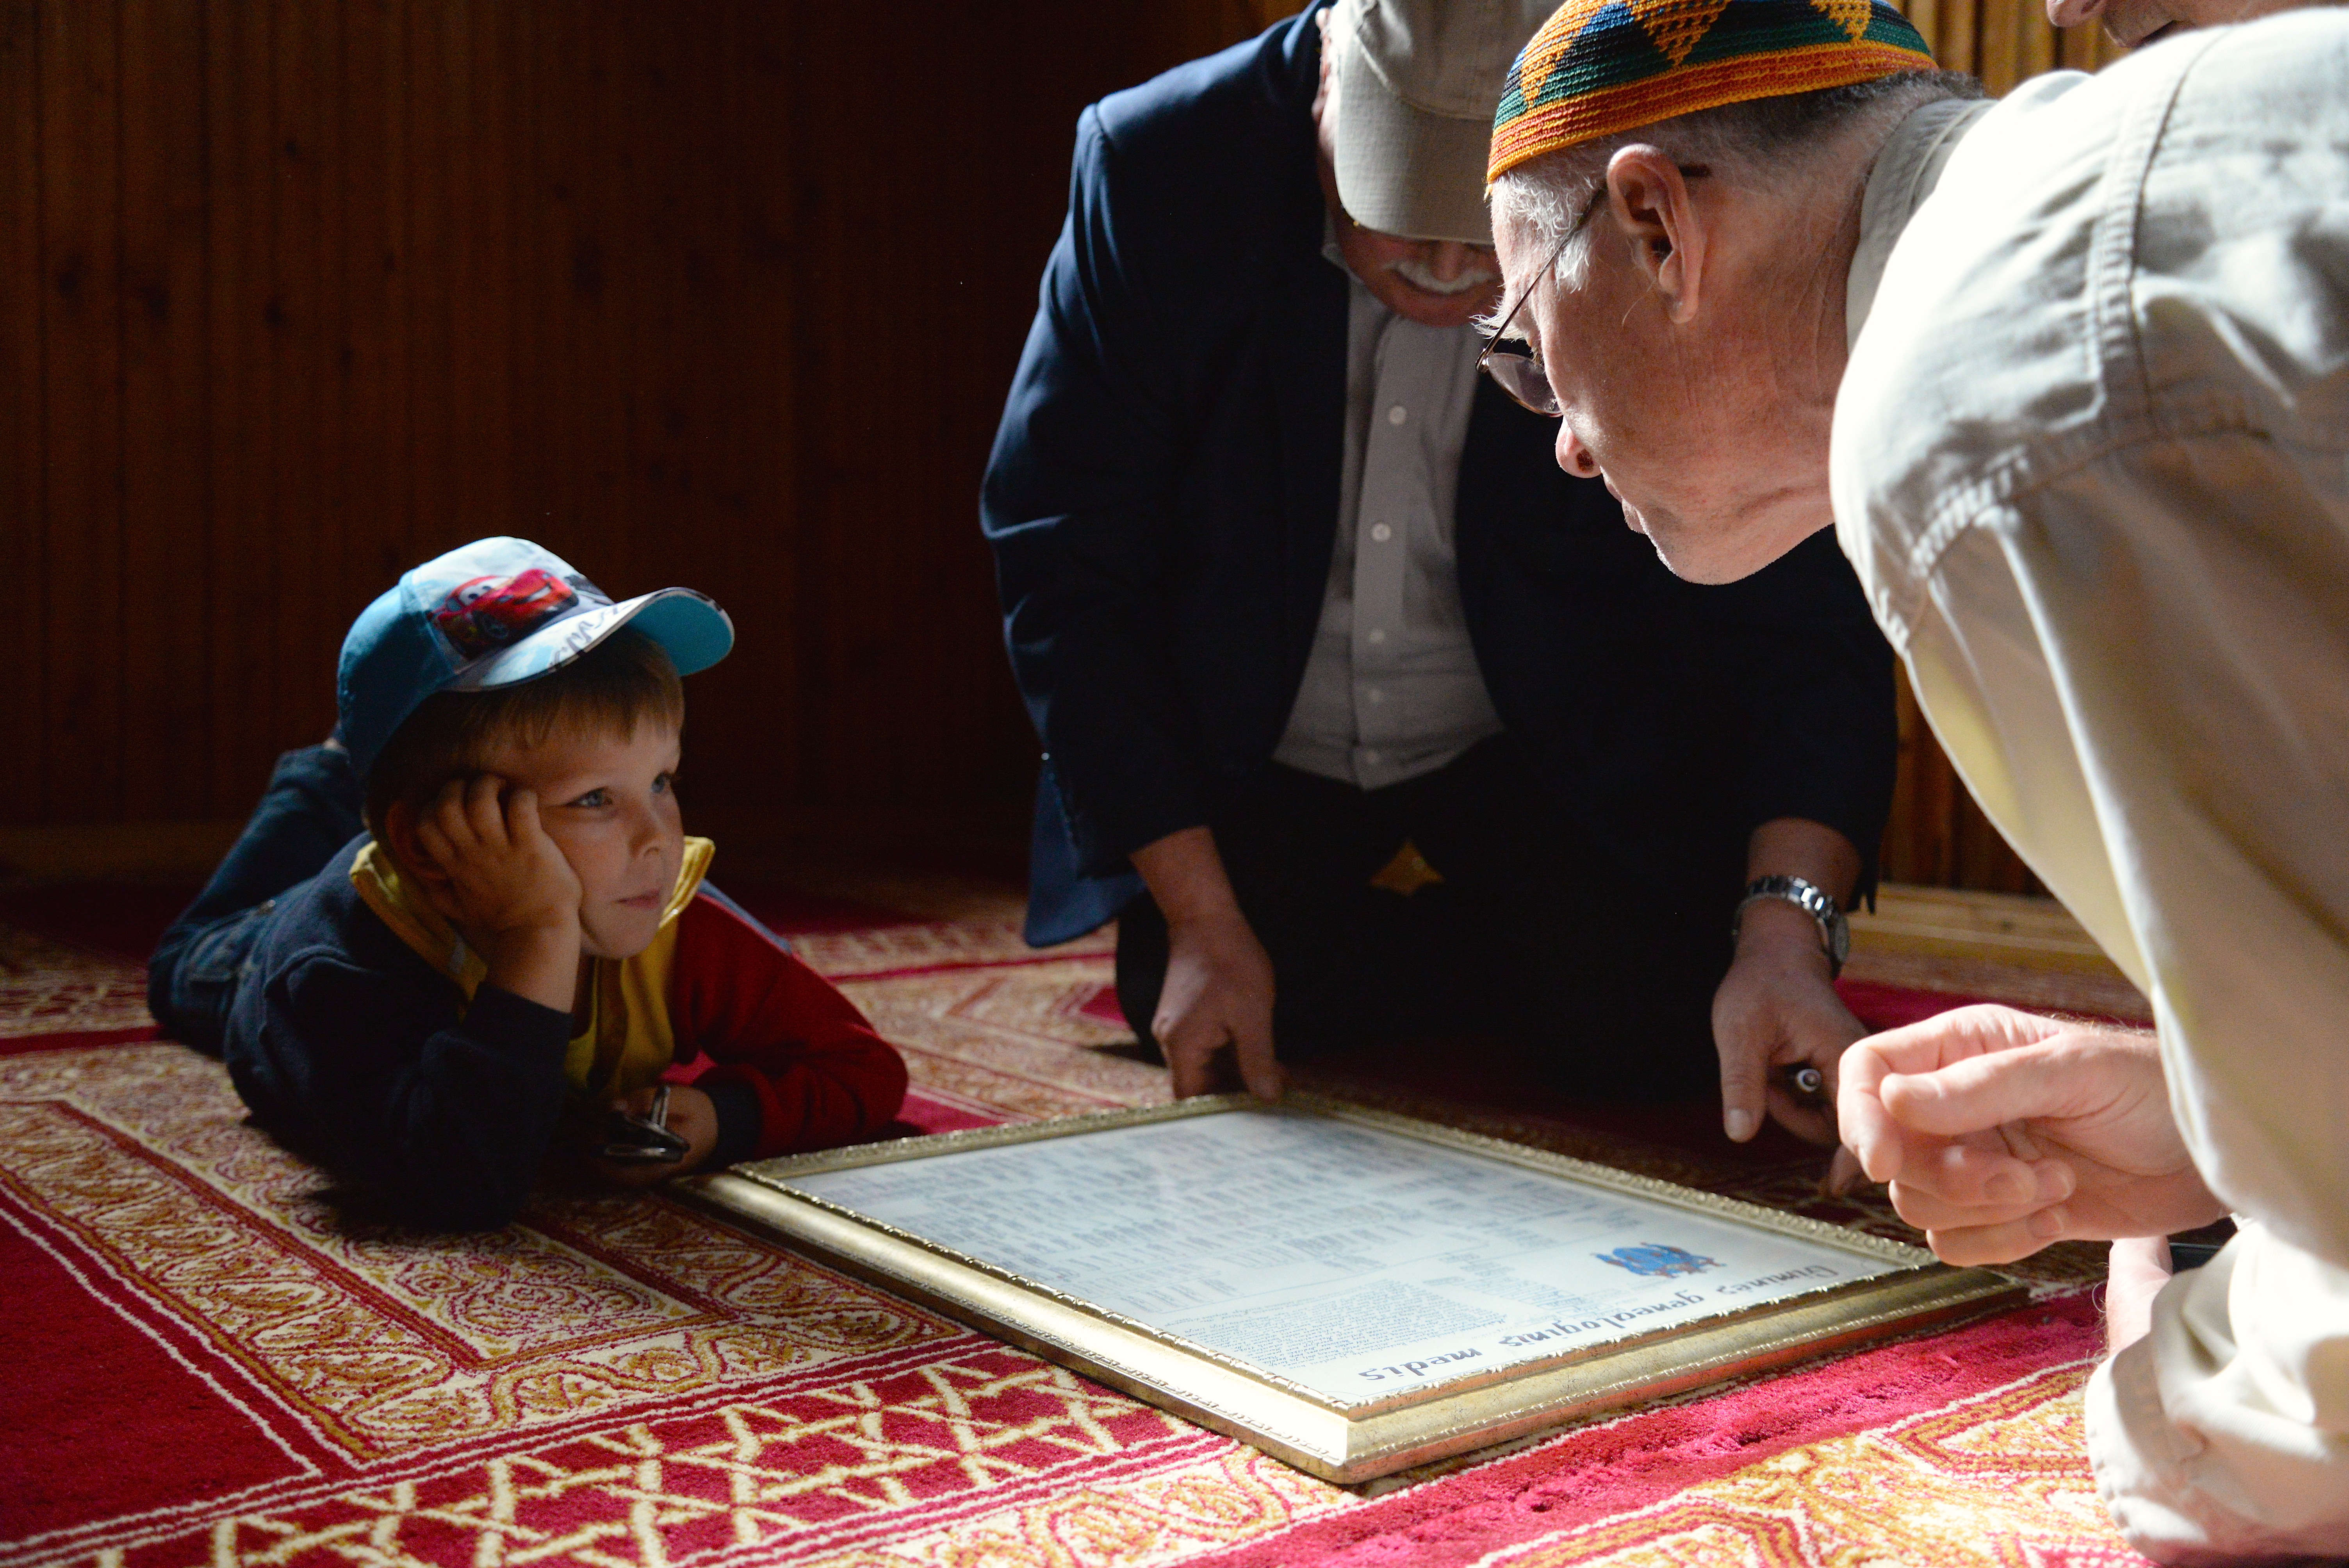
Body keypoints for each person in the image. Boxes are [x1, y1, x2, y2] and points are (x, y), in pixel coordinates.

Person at [1483, 0, 2349, 1554]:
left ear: (1655, 223)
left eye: (1527, 343)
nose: (1559, 442)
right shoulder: (2098, 181)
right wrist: (2207, 1126)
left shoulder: (1978, 396)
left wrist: (2167, 1385)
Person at [982, 0, 1898, 1158]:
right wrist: (1204, 919)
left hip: (1538, 731)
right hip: (1252, 737)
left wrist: (1782, 933)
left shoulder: (1684, 176)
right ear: (1326, 86)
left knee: (1642, 1032)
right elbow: (1064, 554)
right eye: (1396, 204)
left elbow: (1806, 599)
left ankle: (1554, 950)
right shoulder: (1161, 164)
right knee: (1203, 987)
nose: (1451, 266)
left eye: (1487, 230)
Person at [147, 537, 908, 1231]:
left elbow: (864, 1069)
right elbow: (456, 1187)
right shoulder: (334, 966)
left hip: (400, 835)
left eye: (661, 780)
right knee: (182, 964)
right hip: (256, 955)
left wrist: (726, 1116)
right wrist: (538, 935)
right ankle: (329, 773)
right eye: (593, 799)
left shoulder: (671, 910)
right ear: (436, 841)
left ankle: (361, 766)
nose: (657, 838)